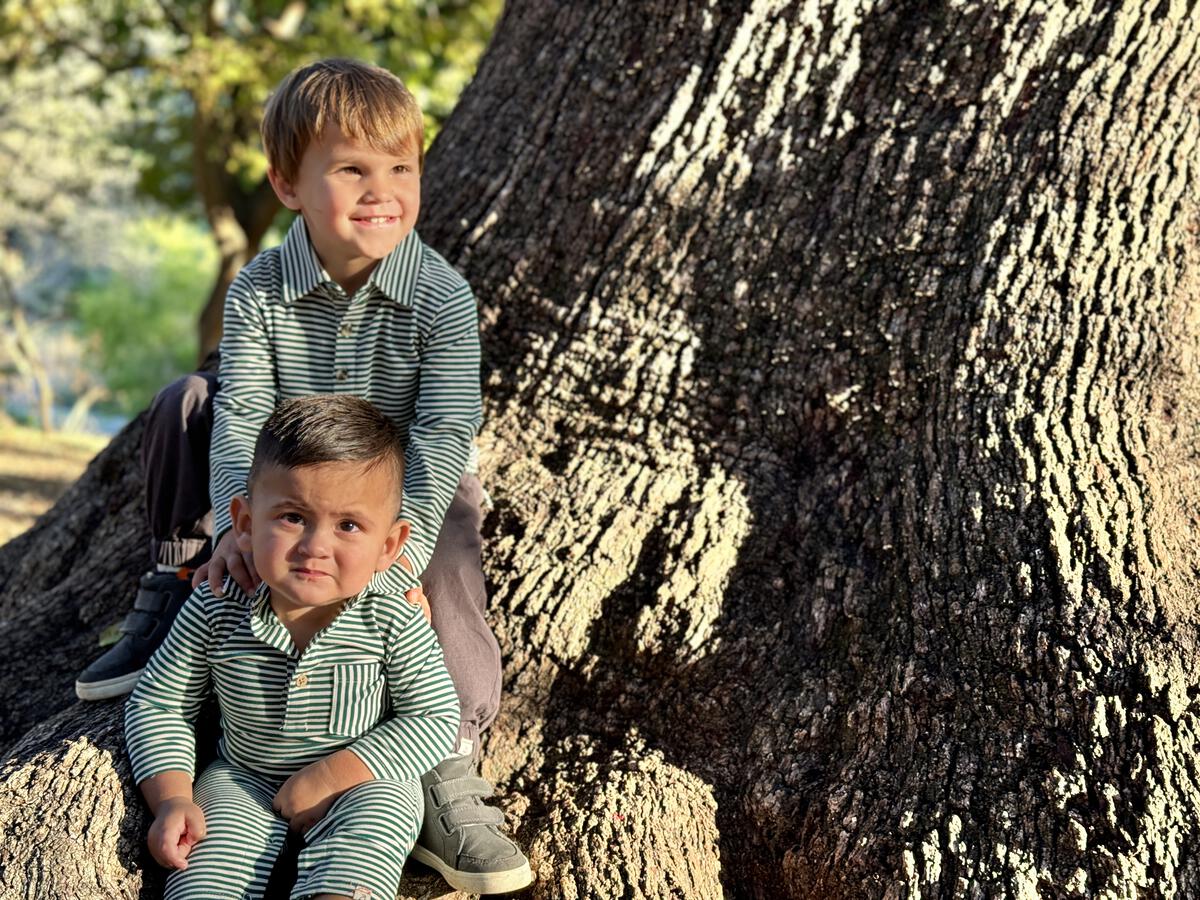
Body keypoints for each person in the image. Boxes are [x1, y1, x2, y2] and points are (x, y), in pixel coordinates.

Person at [85, 58, 532, 892]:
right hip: (283, 483)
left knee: (456, 529)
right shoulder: (259, 290)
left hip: (390, 492)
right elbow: (245, 414)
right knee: (188, 400)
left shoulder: (441, 297)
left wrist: (400, 554)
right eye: (353, 169)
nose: (382, 190)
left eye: (401, 169)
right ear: (289, 185)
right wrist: (233, 529)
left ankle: (449, 766)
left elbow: (441, 431)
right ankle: (177, 574)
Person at [126, 395, 460, 900]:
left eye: (348, 525)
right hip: (244, 778)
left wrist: (332, 774)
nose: (314, 546)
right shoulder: (217, 607)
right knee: (201, 875)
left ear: (389, 546)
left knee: (377, 825)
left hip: (358, 781)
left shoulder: (393, 617)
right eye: (292, 517)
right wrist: (171, 798)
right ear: (242, 523)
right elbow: (159, 704)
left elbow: (433, 718)